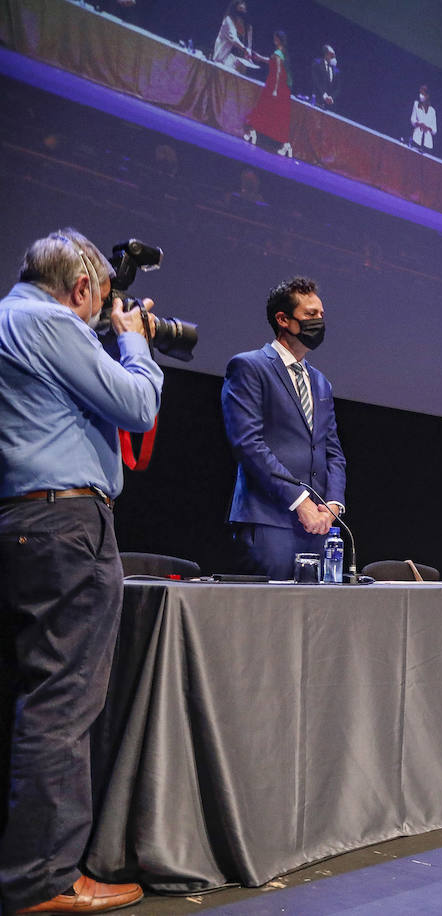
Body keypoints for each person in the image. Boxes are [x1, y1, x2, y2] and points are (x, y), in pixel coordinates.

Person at [0, 230, 162, 914]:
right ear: (83, 290)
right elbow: (137, 404)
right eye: (99, 305)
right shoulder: (49, 320)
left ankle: (39, 869)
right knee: (64, 706)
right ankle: (45, 881)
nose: (98, 315)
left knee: (42, 698)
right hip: (66, 526)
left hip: (26, 525)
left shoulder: (9, 319)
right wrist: (135, 344)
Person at [222, 277, 345, 581]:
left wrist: (332, 504)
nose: (319, 321)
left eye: (321, 315)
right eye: (310, 314)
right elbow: (248, 445)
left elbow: (333, 451)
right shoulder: (249, 367)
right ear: (283, 319)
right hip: (269, 523)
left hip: (318, 527)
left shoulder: (320, 382)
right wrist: (300, 501)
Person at [244, 30, 292, 156]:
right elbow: (271, 62)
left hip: (274, 88)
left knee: (263, 109)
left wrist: (275, 89)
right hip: (278, 88)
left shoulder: (278, 53)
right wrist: (259, 57)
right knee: (270, 112)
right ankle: (253, 133)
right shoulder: (282, 53)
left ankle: (254, 132)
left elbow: (278, 73)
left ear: (277, 39)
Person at [213, 1, 267, 74]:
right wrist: (244, 49)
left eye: (244, 4)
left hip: (240, 62)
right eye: (241, 3)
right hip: (225, 58)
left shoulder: (248, 26)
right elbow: (233, 38)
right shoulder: (228, 20)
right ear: (235, 6)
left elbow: (248, 45)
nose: (243, 6)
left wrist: (248, 55)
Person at [311, 44, 341, 112]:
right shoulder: (317, 63)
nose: (334, 57)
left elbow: (338, 88)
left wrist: (331, 97)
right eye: (331, 55)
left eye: (334, 55)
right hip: (316, 101)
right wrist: (324, 95)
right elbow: (316, 81)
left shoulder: (336, 71)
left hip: (329, 106)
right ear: (326, 54)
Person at [410, 85, 437, 151]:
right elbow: (412, 120)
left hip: (427, 143)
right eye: (420, 93)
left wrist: (427, 128)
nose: (420, 95)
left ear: (427, 96)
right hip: (416, 138)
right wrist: (420, 124)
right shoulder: (416, 104)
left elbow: (434, 130)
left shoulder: (432, 111)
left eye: (422, 94)